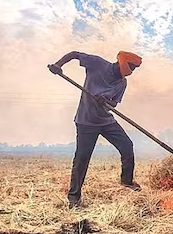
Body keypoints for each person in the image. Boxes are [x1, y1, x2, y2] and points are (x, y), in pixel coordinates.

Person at [48, 51, 143, 208]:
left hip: (106, 121)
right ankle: (74, 197)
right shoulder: (98, 64)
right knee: (82, 159)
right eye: (131, 67)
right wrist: (58, 65)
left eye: (134, 69)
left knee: (127, 146)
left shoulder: (122, 83)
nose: (131, 71)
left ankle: (127, 181)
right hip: (86, 121)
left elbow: (114, 104)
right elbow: (74, 54)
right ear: (122, 64)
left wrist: (105, 101)